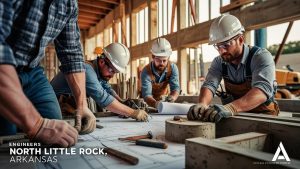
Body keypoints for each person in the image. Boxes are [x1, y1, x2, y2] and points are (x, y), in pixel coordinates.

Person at [0, 1, 96, 147]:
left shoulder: (69, 4)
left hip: (33, 70)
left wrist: (82, 105)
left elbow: (72, 54)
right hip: (5, 67)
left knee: (57, 132)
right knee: (7, 136)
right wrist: (37, 125)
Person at [187, 14, 279, 123]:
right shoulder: (219, 62)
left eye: (226, 45)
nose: (222, 51)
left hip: (265, 118)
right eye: (218, 46)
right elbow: (210, 84)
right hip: (238, 116)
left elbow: (262, 90)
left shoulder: (260, 57)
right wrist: (202, 103)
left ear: (240, 39)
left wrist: (230, 108)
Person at [51, 43, 149, 122]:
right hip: (54, 107)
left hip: (66, 107)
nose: (112, 75)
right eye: (112, 71)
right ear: (102, 62)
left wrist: (121, 102)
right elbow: (103, 98)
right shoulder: (87, 70)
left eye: (115, 72)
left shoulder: (98, 71)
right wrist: (133, 113)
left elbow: (107, 89)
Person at [141, 38, 180, 108]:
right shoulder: (146, 71)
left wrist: (172, 98)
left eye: (164, 60)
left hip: (165, 100)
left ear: (168, 58)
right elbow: (147, 95)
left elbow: (175, 88)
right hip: (149, 103)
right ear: (153, 57)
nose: (161, 63)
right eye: (158, 60)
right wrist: (156, 104)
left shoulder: (173, 68)